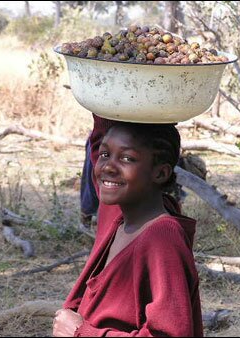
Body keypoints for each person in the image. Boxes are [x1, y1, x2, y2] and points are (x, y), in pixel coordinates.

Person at [53, 113, 203, 337]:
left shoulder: (162, 238)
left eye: (127, 158)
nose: (108, 167)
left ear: (160, 173)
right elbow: (100, 143)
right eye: (105, 154)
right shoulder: (120, 217)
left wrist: (82, 333)